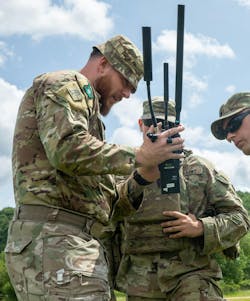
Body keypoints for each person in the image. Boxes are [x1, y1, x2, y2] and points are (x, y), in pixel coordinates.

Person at [4, 36, 185, 301]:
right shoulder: (68, 83)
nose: (126, 94)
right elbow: (68, 149)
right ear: (103, 64)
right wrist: (139, 154)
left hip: (73, 243)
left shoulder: (92, 122)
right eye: (126, 83)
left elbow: (110, 207)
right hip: (56, 239)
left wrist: (144, 176)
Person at [114, 97, 250, 301]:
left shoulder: (200, 169)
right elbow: (105, 216)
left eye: (166, 124)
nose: (158, 129)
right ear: (141, 124)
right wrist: (140, 176)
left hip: (193, 277)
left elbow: (240, 218)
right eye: (152, 122)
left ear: (178, 128)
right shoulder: (122, 170)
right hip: (140, 284)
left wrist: (201, 228)